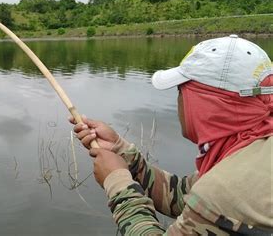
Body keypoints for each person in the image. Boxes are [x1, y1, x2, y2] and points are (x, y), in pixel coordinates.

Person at [70, 35, 272, 235]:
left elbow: (206, 198)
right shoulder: (251, 151)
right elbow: (183, 195)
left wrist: (117, 183)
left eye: (181, 91)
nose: (179, 102)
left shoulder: (224, 189)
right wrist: (120, 150)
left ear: (204, 104)